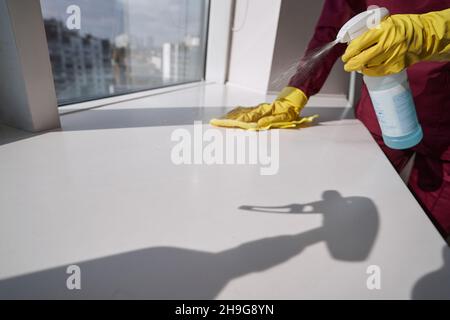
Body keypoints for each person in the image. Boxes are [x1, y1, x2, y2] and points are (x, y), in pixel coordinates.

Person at [211, 1, 450, 238]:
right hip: (383, 109)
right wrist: (295, 93)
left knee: (424, 237)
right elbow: (334, 25)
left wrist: (431, 31)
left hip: (446, 131)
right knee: (353, 214)